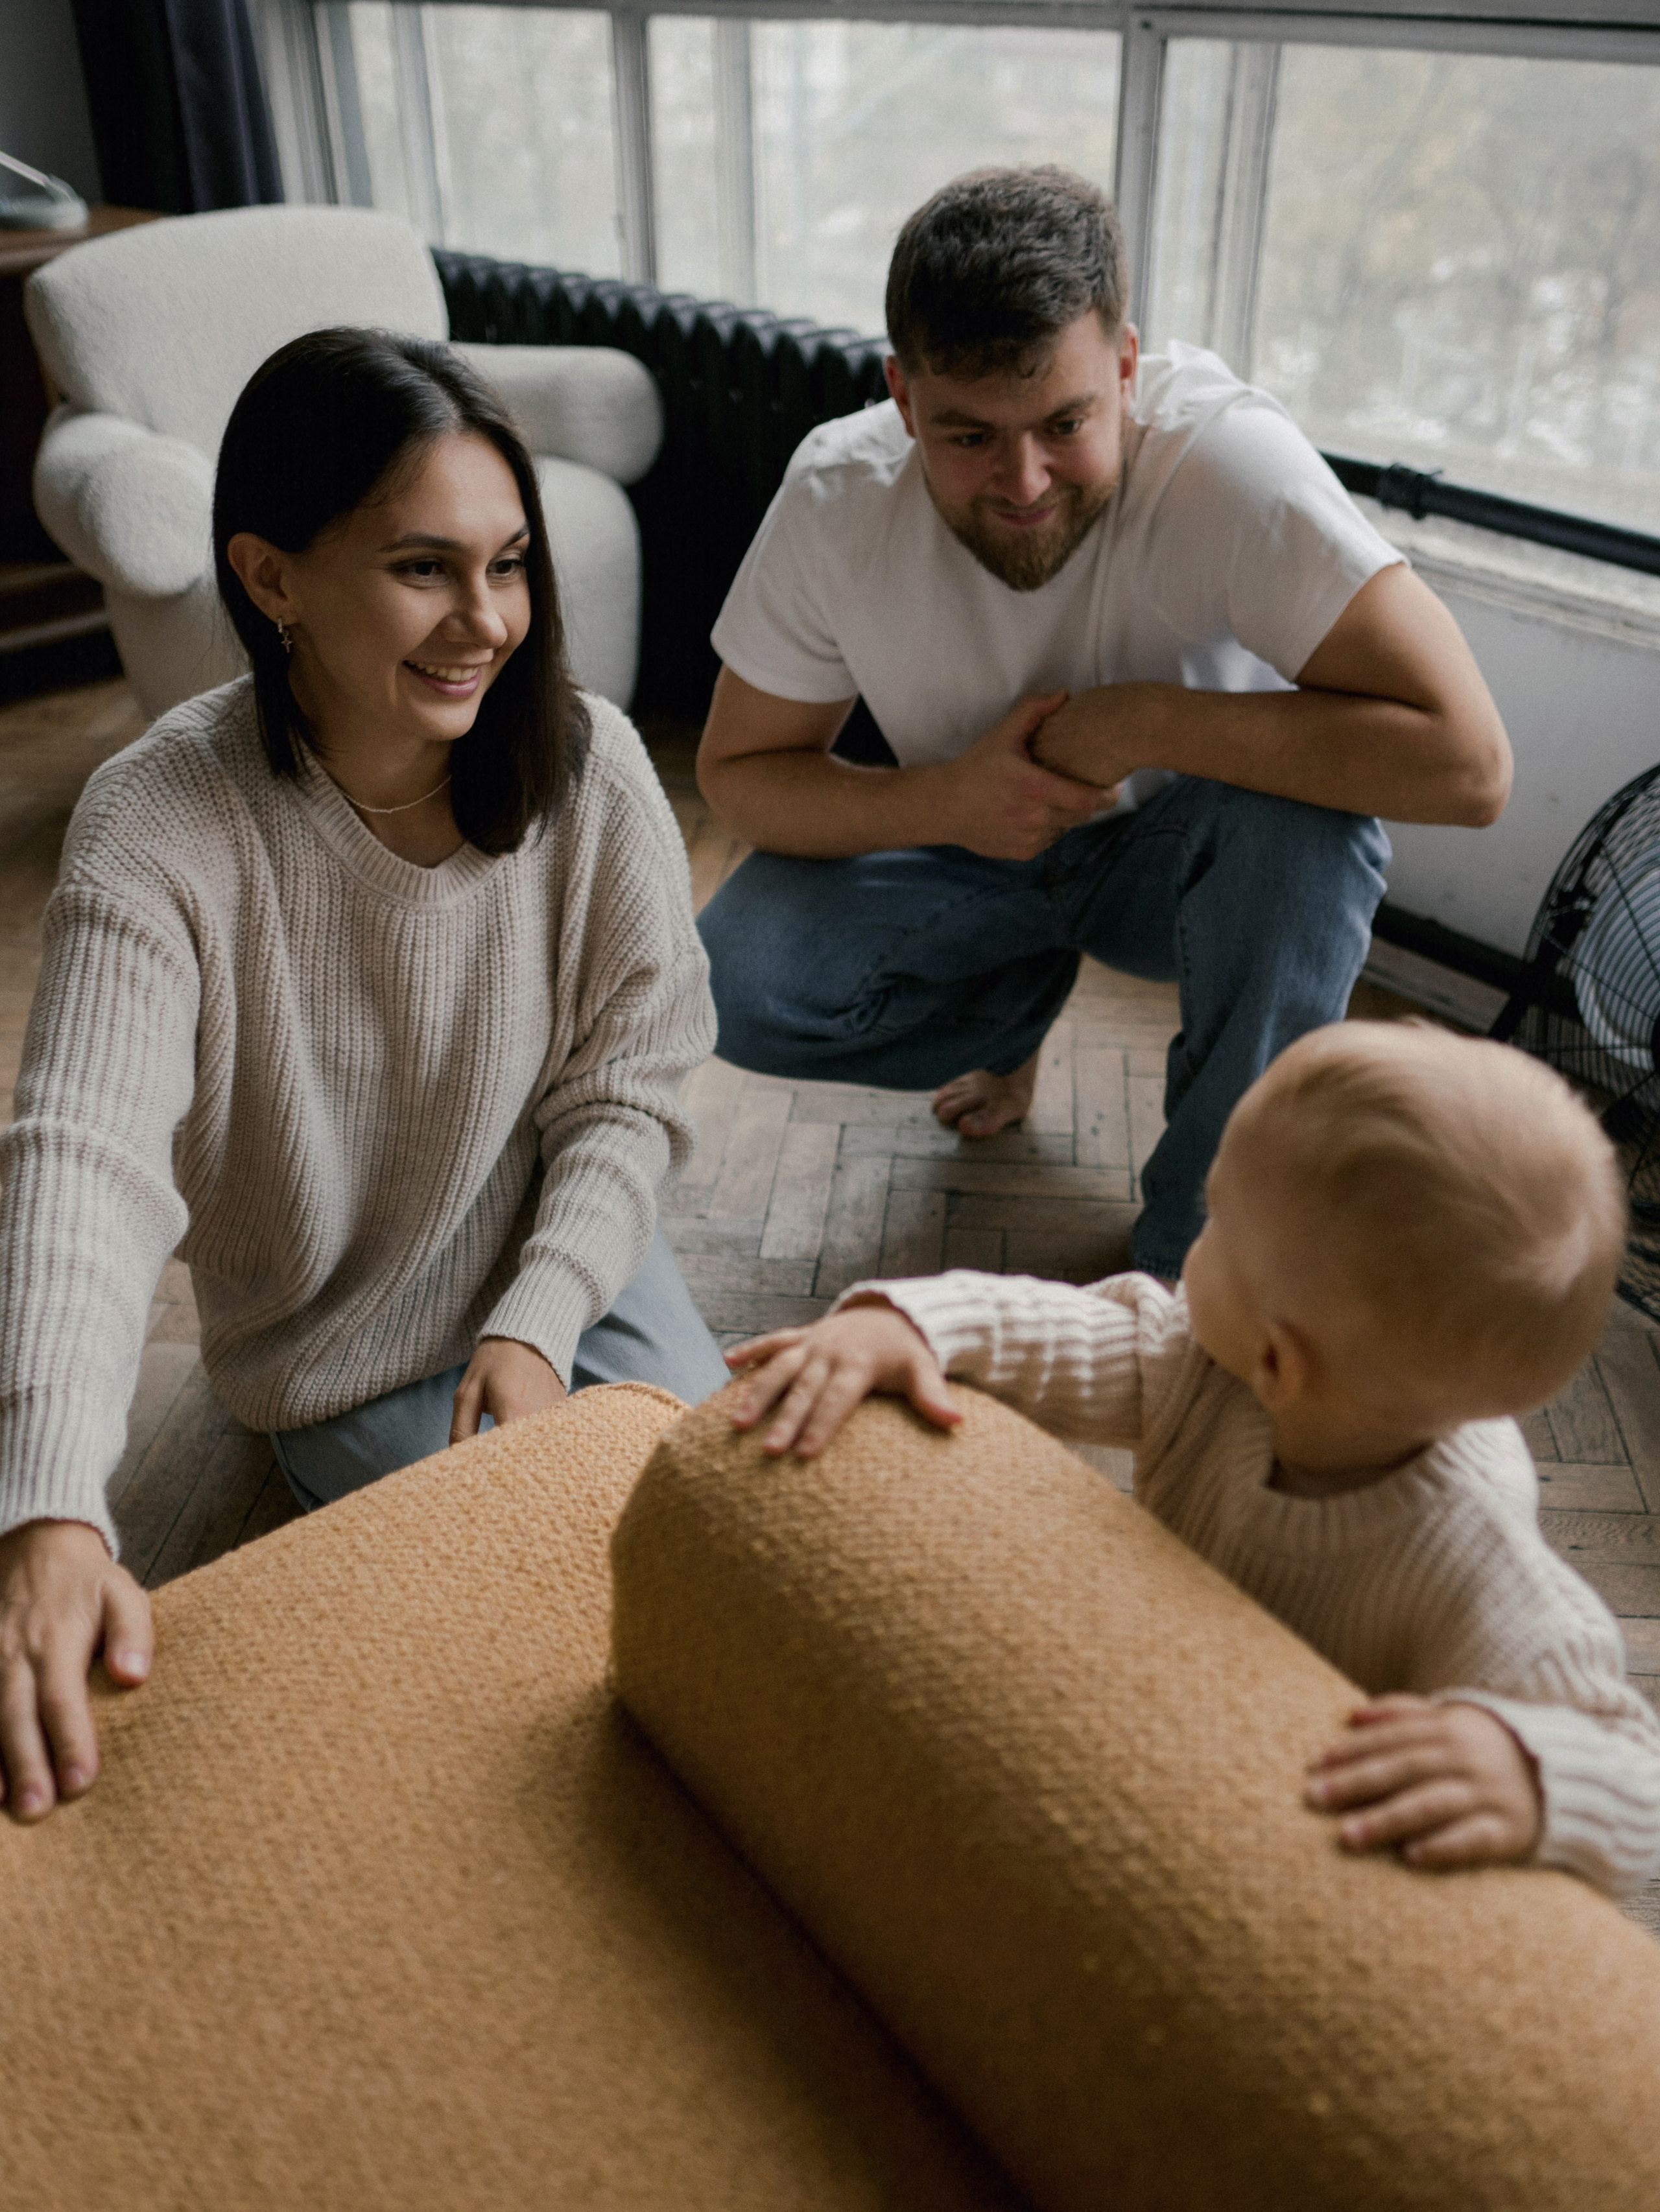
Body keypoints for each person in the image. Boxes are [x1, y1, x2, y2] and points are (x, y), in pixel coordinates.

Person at [0, 329, 726, 1823]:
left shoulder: (587, 762)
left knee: (737, 1541)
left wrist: (537, 1314)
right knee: (551, 1643)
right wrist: (52, 1500)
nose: (488, 620)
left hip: (561, 1257)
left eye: (509, 562)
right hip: (342, 1345)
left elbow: (634, 1078)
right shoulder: (158, 822)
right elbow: (83, 1159)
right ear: (270, 578)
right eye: (423, 567)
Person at [695, 165, 1512, 1281]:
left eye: (1066, 423)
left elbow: (1471, 766)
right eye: (968, 436)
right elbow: (738, 774)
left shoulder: (1233, 469)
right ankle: (1013, 1010)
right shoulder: (837, 494)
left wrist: (1143, 722)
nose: (1023, 481)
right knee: (731, 980)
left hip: (1175, 861)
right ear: (900, 393)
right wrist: (950, 801)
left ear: (1126, 366)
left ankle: (1195, 1261)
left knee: (1315, 837)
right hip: (968, 844)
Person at [722, 1021, 1660, 1897]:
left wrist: (1529, 1768)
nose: (1187, 1251)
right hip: (1161, 1696)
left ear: (1278, 1364)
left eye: (1213, 1227)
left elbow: (1634, 1767)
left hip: (1276, 1833)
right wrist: (914, 1322)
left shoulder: (1475, 1565)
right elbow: (1068, 1331)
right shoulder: (1212, 1362)